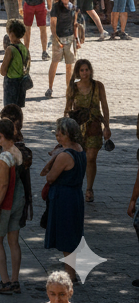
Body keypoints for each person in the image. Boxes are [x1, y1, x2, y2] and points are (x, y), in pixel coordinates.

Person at [42, 117, 87, 281]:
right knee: (72, 234)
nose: (58, 137)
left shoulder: (64, 156)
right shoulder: (79, 149)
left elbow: (50, 177)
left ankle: (70, 275)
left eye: (61, 134)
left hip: (64, 198)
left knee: (67, 236)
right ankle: (71, 273)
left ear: (69, 134)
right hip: (75, 195)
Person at [0, 117, 28, 294]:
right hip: (19, 199)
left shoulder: (4, 157)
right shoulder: (18, 151)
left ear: (0, 136)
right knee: (14, 241)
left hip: (6, 202)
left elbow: (3, 185)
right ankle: (15, 280)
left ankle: (5, 281)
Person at [64, 58, 111, 201]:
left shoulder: (98, 86)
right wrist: (64, 127)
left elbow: (105, 106)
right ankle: (76, 185)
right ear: (78, 72)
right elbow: (67, 108)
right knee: (78, 158)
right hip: (77, 127)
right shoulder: (73, 87)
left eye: (87, 70)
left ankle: (89, 189)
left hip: (94, 125)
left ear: (90, 71)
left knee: (91, 158)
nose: (85, 73)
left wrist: (107, 126)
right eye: (82, 70)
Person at [0, 19, 31, 108]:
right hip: (21, 83)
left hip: (11, 83)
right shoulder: (24, 48)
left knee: (9, 109)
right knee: (17, 110)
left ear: (12, 34)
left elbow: (3, 71)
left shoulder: (10, 49)